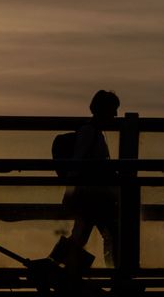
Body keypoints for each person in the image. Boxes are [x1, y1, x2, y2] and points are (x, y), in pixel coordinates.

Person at [62, 89, 121, 267]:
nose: (115, 115)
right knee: (111, 235)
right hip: (93, 196)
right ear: (103, 110)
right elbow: (78, 162)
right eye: (113, 110)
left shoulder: (93, 132)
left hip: (92, 196)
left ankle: (59, 268)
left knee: (81, 236)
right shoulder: (90, 132)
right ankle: (115, 275)